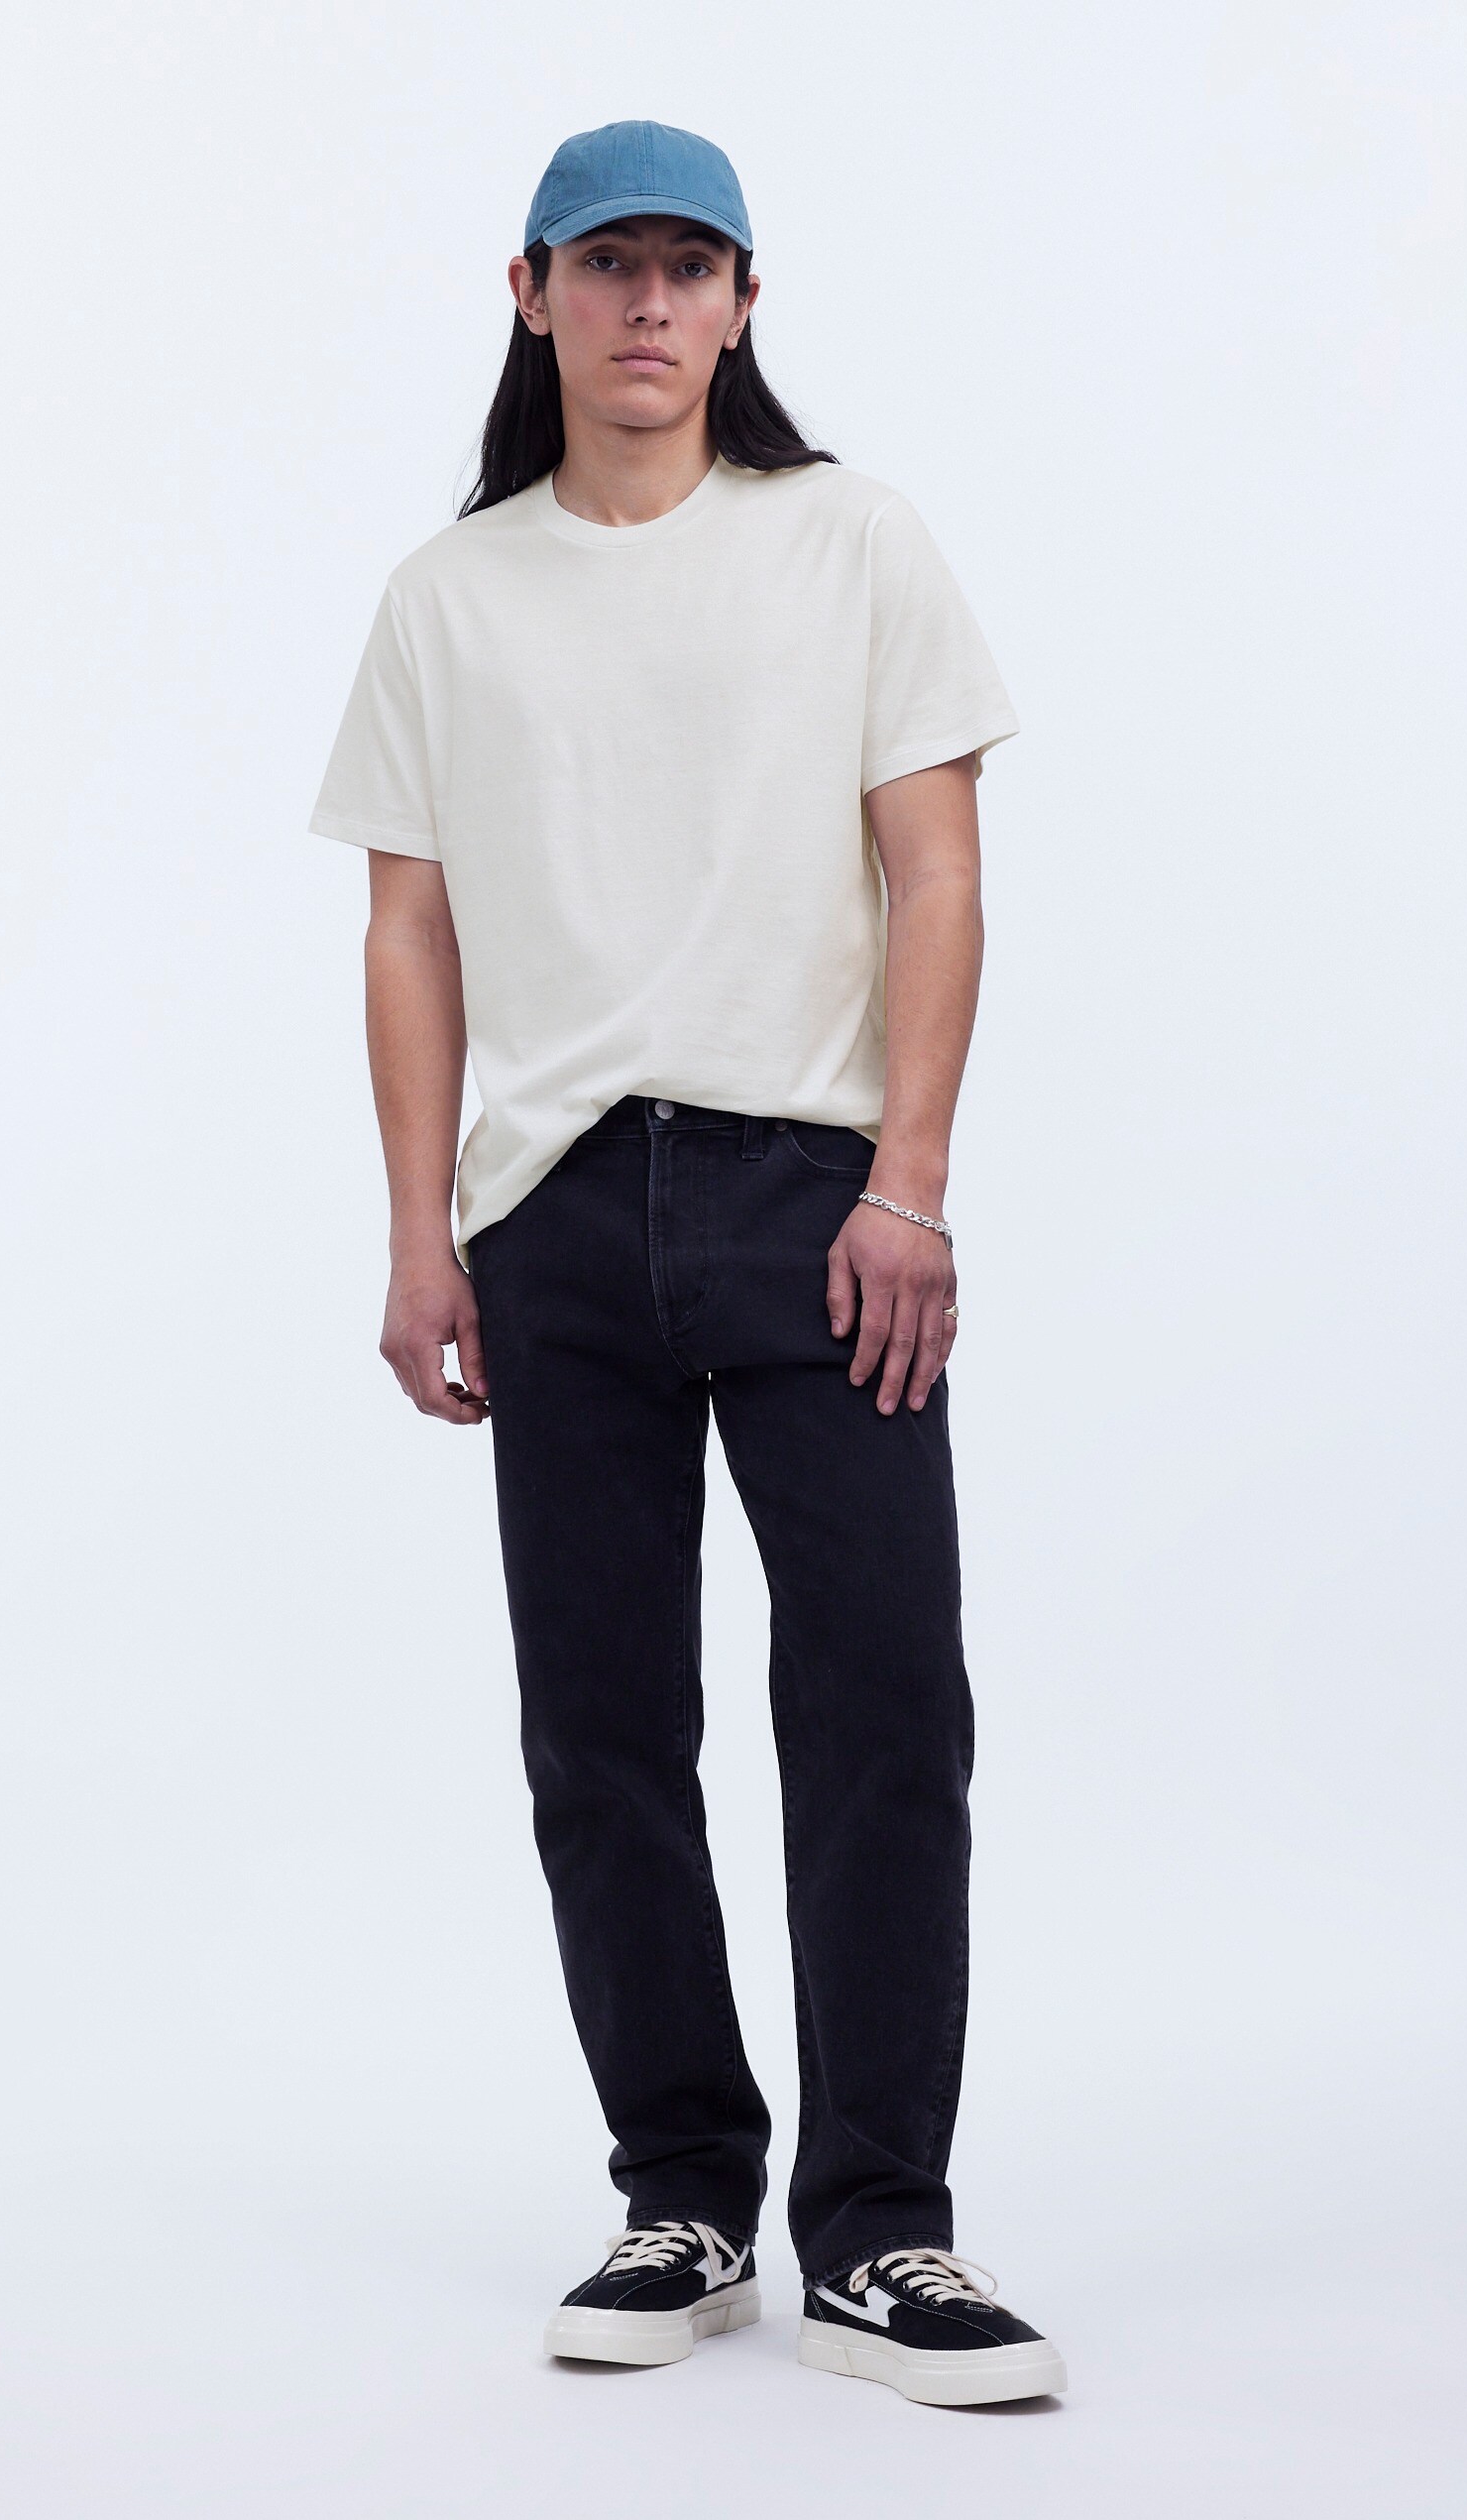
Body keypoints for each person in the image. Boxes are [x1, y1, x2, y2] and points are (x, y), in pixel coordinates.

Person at [308, 120, 1067, 2408]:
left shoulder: (847, 540)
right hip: (551, 1213)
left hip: (811, 1200)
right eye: (607, 262)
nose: (648, 302)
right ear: (528, 291)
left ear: (744, 303)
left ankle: (883, 2227)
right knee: (602, 1726)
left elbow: (936, 871)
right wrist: (421, 1227)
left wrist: (908, 1179)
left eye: (691, 265)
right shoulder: (451, 595)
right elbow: (409, 926)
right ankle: (685, 2191)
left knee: (881, 1702)